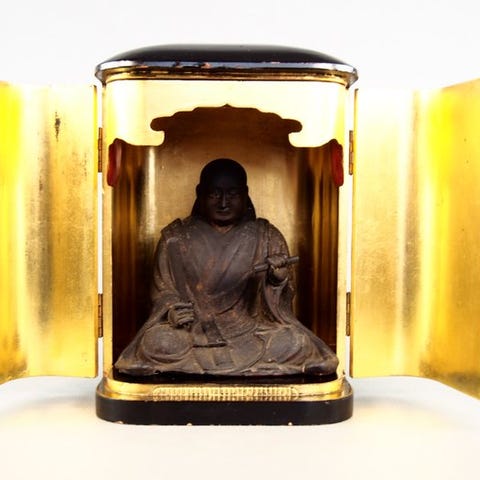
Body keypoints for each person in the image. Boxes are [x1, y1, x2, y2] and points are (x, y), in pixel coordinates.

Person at [115, 158, 338, 377]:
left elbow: (279, 308)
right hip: (193, 333)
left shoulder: (267, 236)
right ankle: (232, 364)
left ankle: (206, 365)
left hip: (251, 331)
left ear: (245, 194)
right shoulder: (174, 238)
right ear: (200, 193)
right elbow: (163, 292)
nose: (223, 203)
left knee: (296, 341)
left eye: (232, 194)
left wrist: (278, 280)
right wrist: (173, 311)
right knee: (155, 342)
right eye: (214, 194)